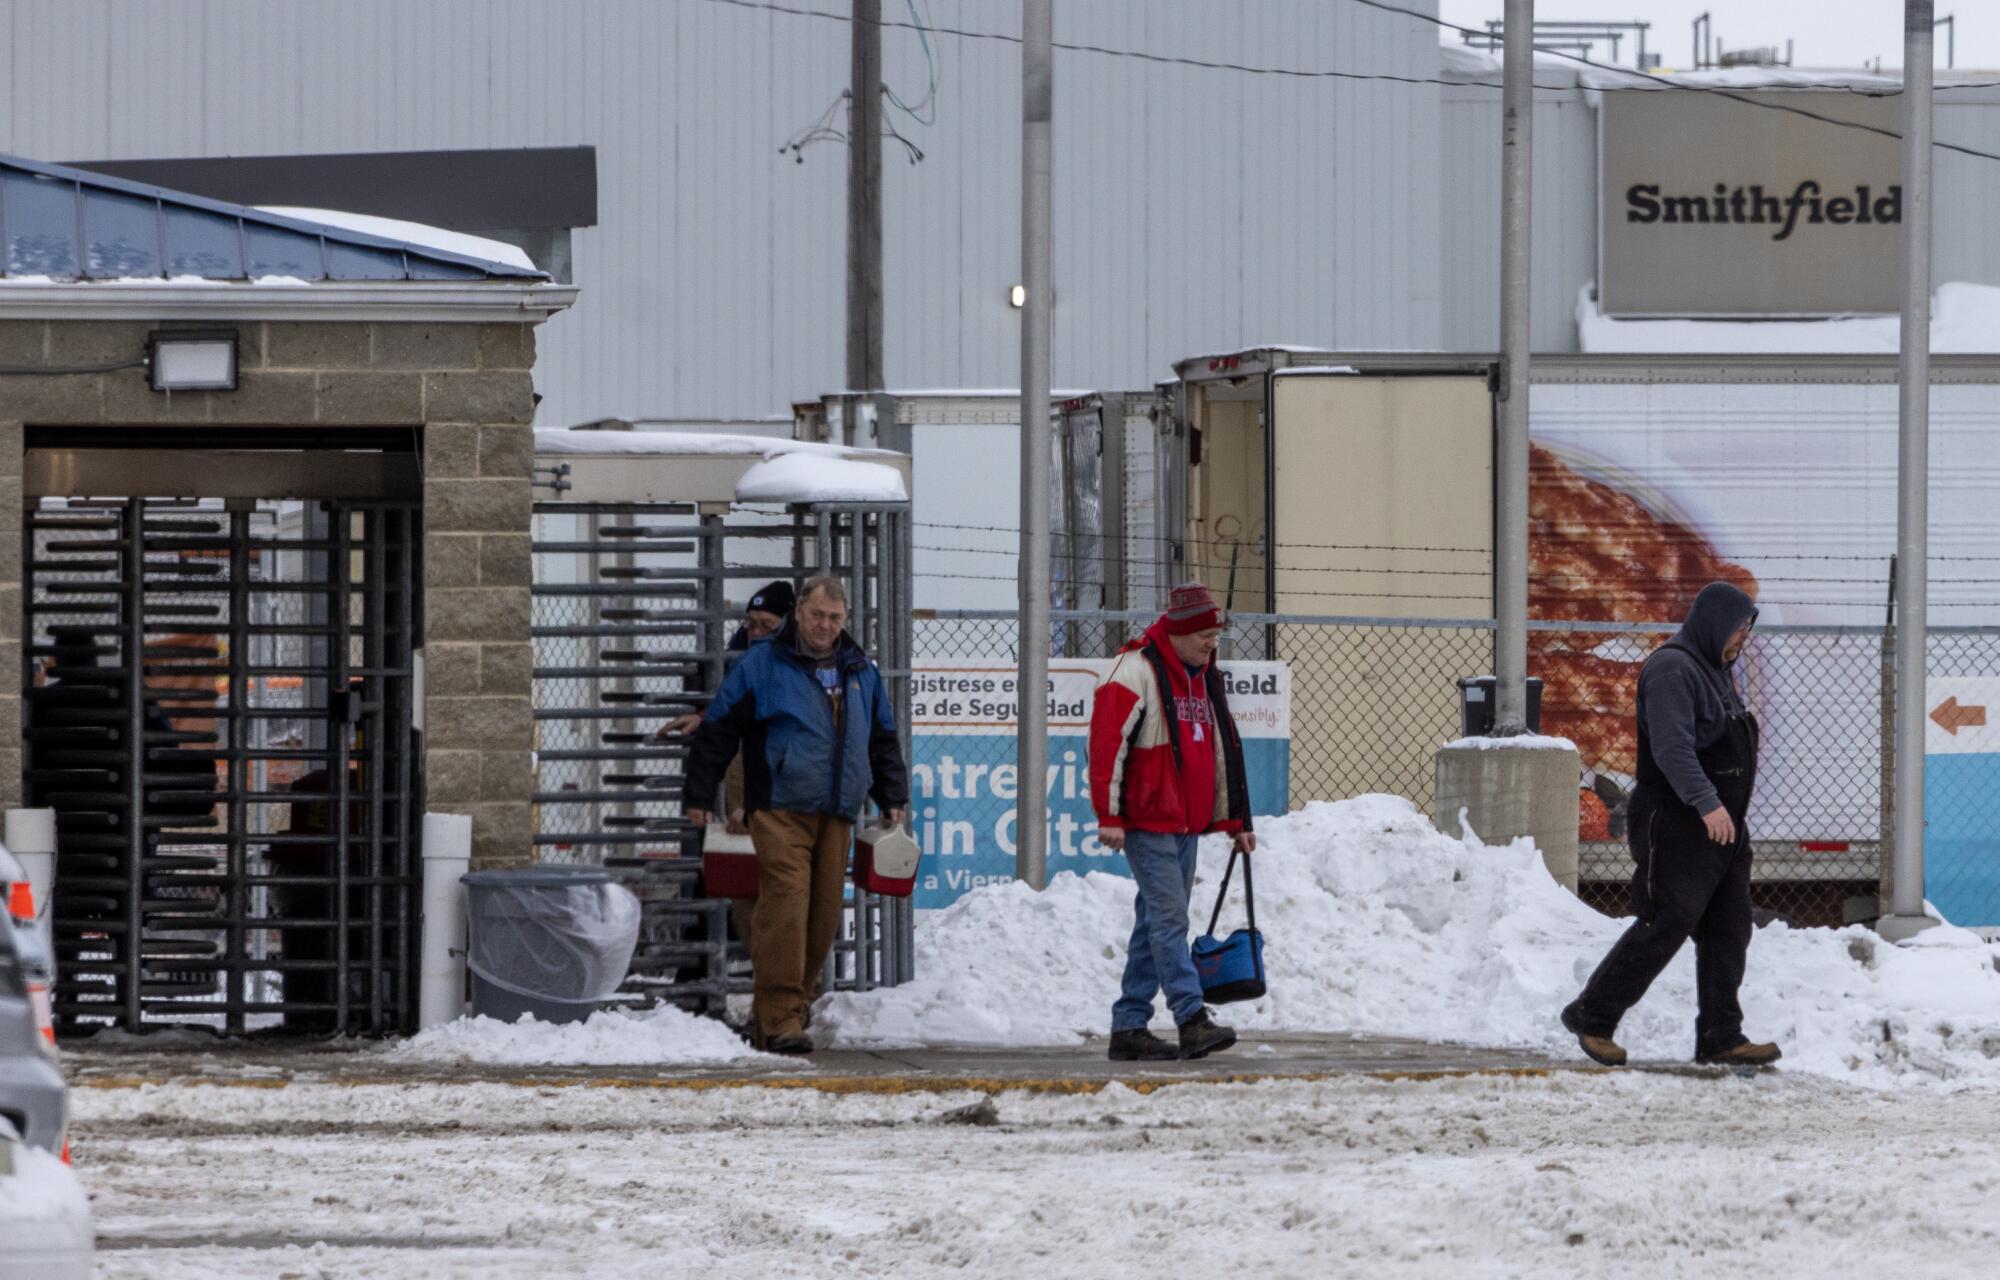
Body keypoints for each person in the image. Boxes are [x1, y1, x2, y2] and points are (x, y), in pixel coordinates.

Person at [682, 575, 908, 1054]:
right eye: (817, 615)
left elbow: (882, 738)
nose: (825, 626)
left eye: (835, 618)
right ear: (799, 614)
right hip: (780, 806)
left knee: (823, 915)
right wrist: (700, 795)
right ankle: (781, 1017)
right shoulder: (763, 664)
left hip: (838, 810)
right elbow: (720, 727)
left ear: (844, 620)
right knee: (786, 903)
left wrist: (892, 794)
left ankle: (788, 1013)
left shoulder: (859, 669)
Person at [1561, 581, 1783, 1068]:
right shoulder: (1672, 670)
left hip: (1722, 824)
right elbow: (1672, 748)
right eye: (1738, 629)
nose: (1742, 639)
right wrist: (1707, 803)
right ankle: (1592, 1016)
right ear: (1714, 623)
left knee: (1730, 927)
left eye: (1747, 629)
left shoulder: (1716, 671)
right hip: (1679, 819)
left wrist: (1724, 813)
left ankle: (1722, 1036)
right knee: (1668, 920)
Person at [1086, 581, 1256, 1063]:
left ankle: (1129, 1025)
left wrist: (1237, 818)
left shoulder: (1204, 675)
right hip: (1148, 823)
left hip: (1187, 825)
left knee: (1153, 923)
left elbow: (1225, 748)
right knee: (1169, 919)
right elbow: (1106, 750)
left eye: (1216, 635)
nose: (1212, 642)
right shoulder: (1132, 671)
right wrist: (1111, 815)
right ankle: (1190, 1016)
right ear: (1178, 633)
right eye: (1204, 634)